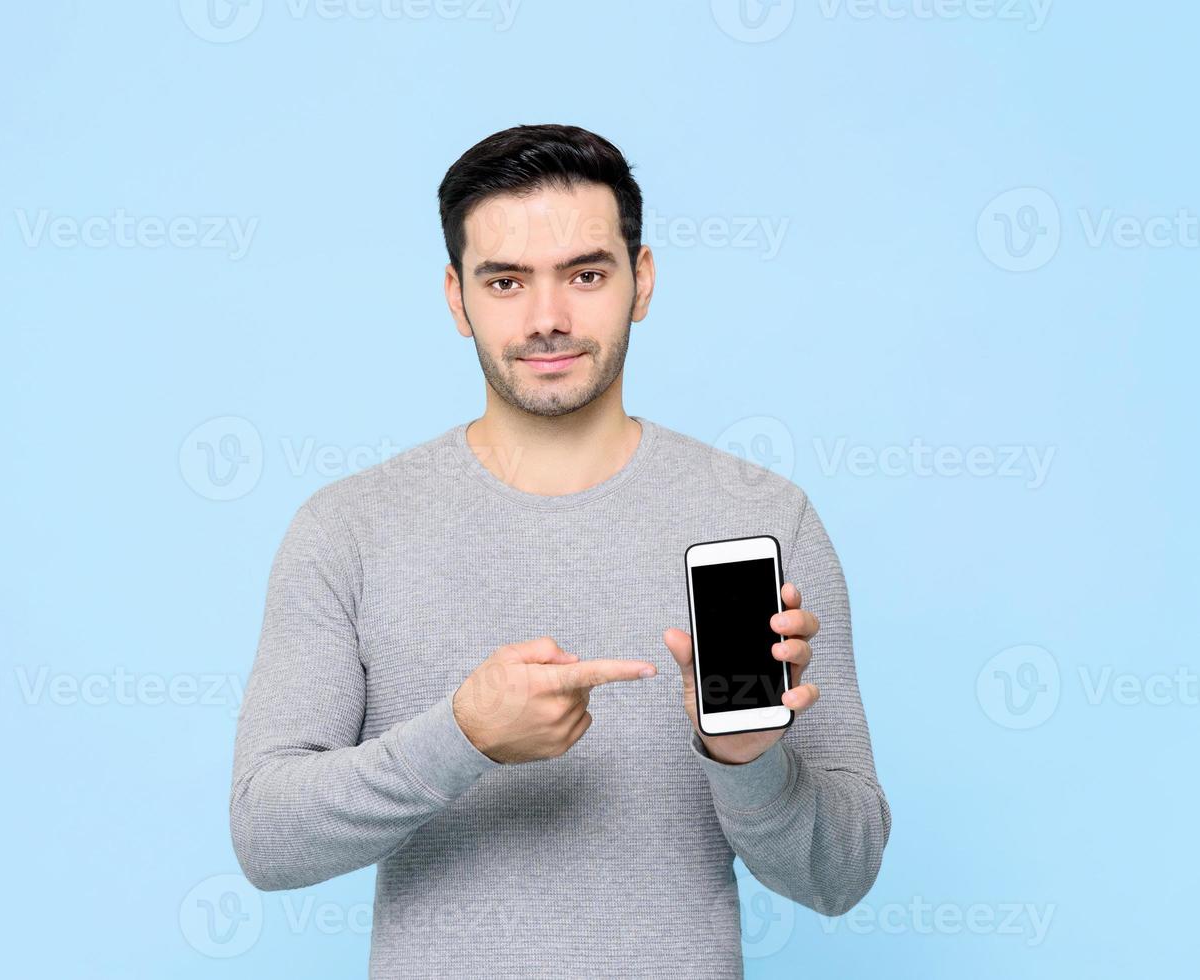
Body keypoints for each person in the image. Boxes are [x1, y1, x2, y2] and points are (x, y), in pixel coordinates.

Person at [229, 123, 890, 977]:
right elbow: (266, 837)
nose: (548, 319)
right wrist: (464, 735)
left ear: (640, 282)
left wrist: (745, 756)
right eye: (506, 281)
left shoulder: (763, 516)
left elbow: (842, 876)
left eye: (585, 274)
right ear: (456, 298)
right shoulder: (347, 529)